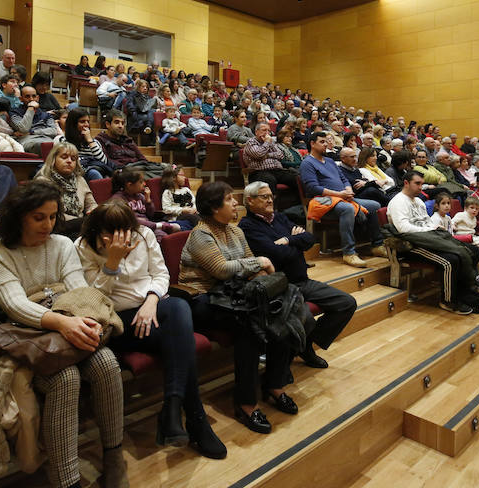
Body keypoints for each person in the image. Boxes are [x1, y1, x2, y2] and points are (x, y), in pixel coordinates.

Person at [0, 183, 127, 488]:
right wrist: (63, 324)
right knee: (65, 378)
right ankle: (66, 479)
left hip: (68, 323)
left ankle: (114, 457)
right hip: (28, 338)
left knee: (107, 363)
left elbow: (80, 292)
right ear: (18, 216)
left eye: (52, 217)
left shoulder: (61, 244)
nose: (47, 225)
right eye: (38, 217)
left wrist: (82, 320)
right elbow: (15, 304)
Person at [75, 202, 226, 458]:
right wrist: (112, 261)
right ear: (100, 233)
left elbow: (160, 274)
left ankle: (173, 406)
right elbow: (93, 296)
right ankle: (193, 418)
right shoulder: (82, 247)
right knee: (180, 342)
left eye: (127, 233)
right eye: (114, 235)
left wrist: (152, 301)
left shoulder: (143, 235)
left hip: (152, 308)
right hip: (117, 319)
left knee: (178, 306)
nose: (124, 240)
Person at [179, 182, 299, 434]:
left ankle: (274, 385)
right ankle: (245, 403)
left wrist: (256, 267)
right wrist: (260, 262)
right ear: (213, 207)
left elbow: (246, 264)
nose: (236, 203)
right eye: (229, 199)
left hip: (234, 294)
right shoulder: (201, 235)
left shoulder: (235, 231)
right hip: (204, 298)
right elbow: (221, 270)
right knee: (249, 327)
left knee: (277, 312)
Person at [239, 181, 357, 368]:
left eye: (271, 196)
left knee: (346, 303)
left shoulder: (279, 218)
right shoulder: (247, 227)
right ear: (250, 201)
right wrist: (296, 244)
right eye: (264, 197)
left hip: (302, 281)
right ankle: (304, 349)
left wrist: (288, 239)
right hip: (281, 288)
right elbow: (277, 254)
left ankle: (305, 344)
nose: (270, 200)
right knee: (306, 318)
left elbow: (310, 238)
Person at [386, 170, 479, 315]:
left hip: (430, 238)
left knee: (473, 250)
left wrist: (434, 229)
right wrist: (432, 229)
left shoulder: (419, 201)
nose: (421, 187)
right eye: (417, 183)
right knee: (451, 260)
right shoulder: (397, 202)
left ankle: (465, 293)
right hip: (411, 245)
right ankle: (448, 300)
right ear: (406, 183)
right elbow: (403, 229)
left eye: (422, 183)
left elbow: (427, 222)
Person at [299, 132, 387, 268]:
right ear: (312, 144)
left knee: (374, 205)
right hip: (324, 201)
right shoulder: (307, 163)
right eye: (322, 142)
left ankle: (377, 245)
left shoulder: (329, 161)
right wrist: (340, 194)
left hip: (343, 198)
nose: (326, 144)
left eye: (326, 142)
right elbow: (313, 188)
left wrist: (348, 190)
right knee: (348, 209)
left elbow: (344, 179)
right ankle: (349, 253)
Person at [34, 142, 98, 239]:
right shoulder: (43, 181)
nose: (69, 161)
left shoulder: (80, 180)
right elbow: (50, 214)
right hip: (57, 226)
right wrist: (82, 220)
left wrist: (92, 210)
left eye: (73, 159)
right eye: (64, 157)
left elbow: (91, 204)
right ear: (53, 159)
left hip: (80, 225)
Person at [95, 109, 171, 178]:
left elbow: (142, 159)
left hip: (139, 167)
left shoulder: (128, 140)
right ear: (108, 124)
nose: (121, 126)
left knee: (169, 170)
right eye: (117, 122)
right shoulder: (101, 140)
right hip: (125, 172)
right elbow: (107, 163)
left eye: (122, 123)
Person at [111, 168, 178, 241]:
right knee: (160, 237)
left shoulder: (140, 196)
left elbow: (151, 215)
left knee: (167, 236)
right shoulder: (118, 200)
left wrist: (148, 201)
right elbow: (131, 220)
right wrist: (156, 225)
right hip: (134, 229)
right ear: (129, 185)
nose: (144, 184)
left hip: (149, 226)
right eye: (141, 182)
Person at [244, 120, 298, 195]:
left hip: (276, 170)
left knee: (294, 177)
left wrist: (268, 155)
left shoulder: (271, 141)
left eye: (268, 131)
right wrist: (267, 143)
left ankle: (298, 203)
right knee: (270, 180)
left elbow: (281, 155)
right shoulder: (251, 142)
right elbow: (259, 154)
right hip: (258, 172)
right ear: (256, 132)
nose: (267, 133)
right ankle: (271, 204)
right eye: (264, 130)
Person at [64, 107, 112, 180]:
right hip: (72, 172)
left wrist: (90, 141)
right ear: (73, 124)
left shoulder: (94, 142)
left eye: (88, 121)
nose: (86, 125)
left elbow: (104, 162)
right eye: (82, 121)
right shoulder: (62, 140)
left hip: (92, 170)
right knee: (93, 173)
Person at [10, 85, 57, 154]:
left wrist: (32, 132)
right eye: (27, 96)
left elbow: (53, 131)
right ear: (21, 99)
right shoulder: (14, 112)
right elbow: (24, 129)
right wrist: (31, 108)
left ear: (37, 98)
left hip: (46, 139)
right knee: (41, 146)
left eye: (34, 96)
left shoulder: (46, 115)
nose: (31, 99)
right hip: (27, 141)